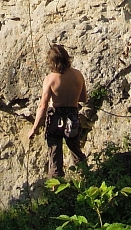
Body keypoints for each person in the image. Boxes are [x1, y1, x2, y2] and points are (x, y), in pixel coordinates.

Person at [27, 44, 89, 179]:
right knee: (76, 150)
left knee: (55, 154)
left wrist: (34, 128)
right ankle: (87, 178)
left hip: (55, 118)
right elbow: (83, 98)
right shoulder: (78, 75)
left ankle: (57, 190)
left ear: (52, 62)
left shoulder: (50, 79)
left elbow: (42, 107)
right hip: (72, 117)